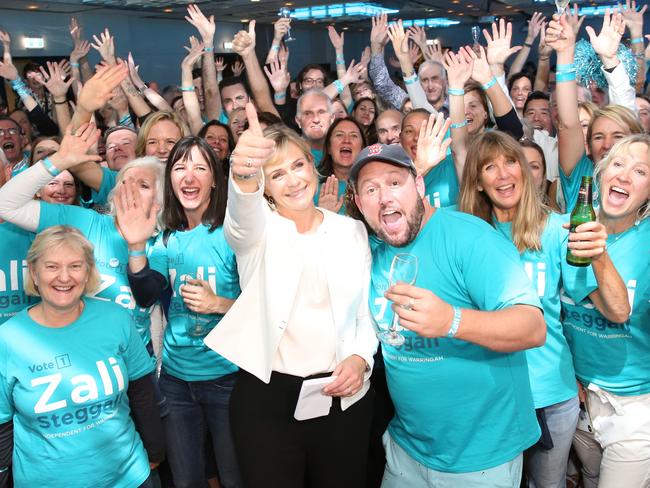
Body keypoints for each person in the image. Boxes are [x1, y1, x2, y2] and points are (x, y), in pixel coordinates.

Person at [348, 141, 546, 487]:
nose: (384, 197)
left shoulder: (470, 238)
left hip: (481, 459)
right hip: (405, 451)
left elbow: (532, 326)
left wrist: (452, 321)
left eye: (395, 182)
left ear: (420, 185)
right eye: (371, 189)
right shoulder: (369, 251)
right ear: (360, 203)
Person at [205, 104, 377, 488]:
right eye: (276, 174)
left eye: (297, 166)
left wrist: (361, 359)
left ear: (312, 164)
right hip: (267, 401)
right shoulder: (257, 232)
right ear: (265, 185)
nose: (292, 180)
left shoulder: (351, 231)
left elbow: (367, 312)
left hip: (343, 395)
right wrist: (244, 172)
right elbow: (240, 218)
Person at [458, 130, 630, 488]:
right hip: (490, 395)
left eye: (510, 163)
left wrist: (600, 254)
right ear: (477, 182)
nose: (503, 175)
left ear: (524, 170)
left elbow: (615, 311)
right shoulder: (466, 235)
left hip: (550, 394)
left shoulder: (555, 229)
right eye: (490, 167)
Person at [0, 225, 164, 487]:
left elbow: (143, 392)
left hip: (129, 477)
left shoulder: (116, 319)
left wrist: (155, 451)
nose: (64, 277)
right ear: (33, 272)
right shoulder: (7, 340)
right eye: (52, 266)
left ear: (88, 271)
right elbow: (2, 424)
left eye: (75, 266)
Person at [123, 136, 242, 488]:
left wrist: (218, 304)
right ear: (170, 181)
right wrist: (135, 247)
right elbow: (146, 294)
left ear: (216, 179)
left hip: (228, 378)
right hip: (176, 382)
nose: (189, 176)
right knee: (186, 480)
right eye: (179, 167)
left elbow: (266, 307)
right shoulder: (166, 239)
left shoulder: (232, 234)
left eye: (200, 167)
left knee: (236, 477)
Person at [0, 123, 165, 351]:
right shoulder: (86, 221)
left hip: (135, 359)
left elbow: (147, 296)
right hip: (79, 356)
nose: (131, 190)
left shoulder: (163, 241)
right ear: (113, 194)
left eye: (144, 185)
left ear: (159, 202)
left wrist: (137, 247)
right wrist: (59, 161)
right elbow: (5, 204)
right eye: (125, 182)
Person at [561, 134, 650, 488]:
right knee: (589, 478)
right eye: (617, 164)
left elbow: (618, 312)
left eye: (640, 171)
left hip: (634, 406)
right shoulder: (569, 226)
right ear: (599, 173)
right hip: (581, 400)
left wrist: (599, 255)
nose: (625, 176)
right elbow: (553, 313)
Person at [316, 117, 367, 214]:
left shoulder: (373, 185)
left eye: (354, 136)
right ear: (329, 148)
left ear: (362, 148)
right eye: (339, 135)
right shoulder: (312, 188)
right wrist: (325, 215)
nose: (346, 140)